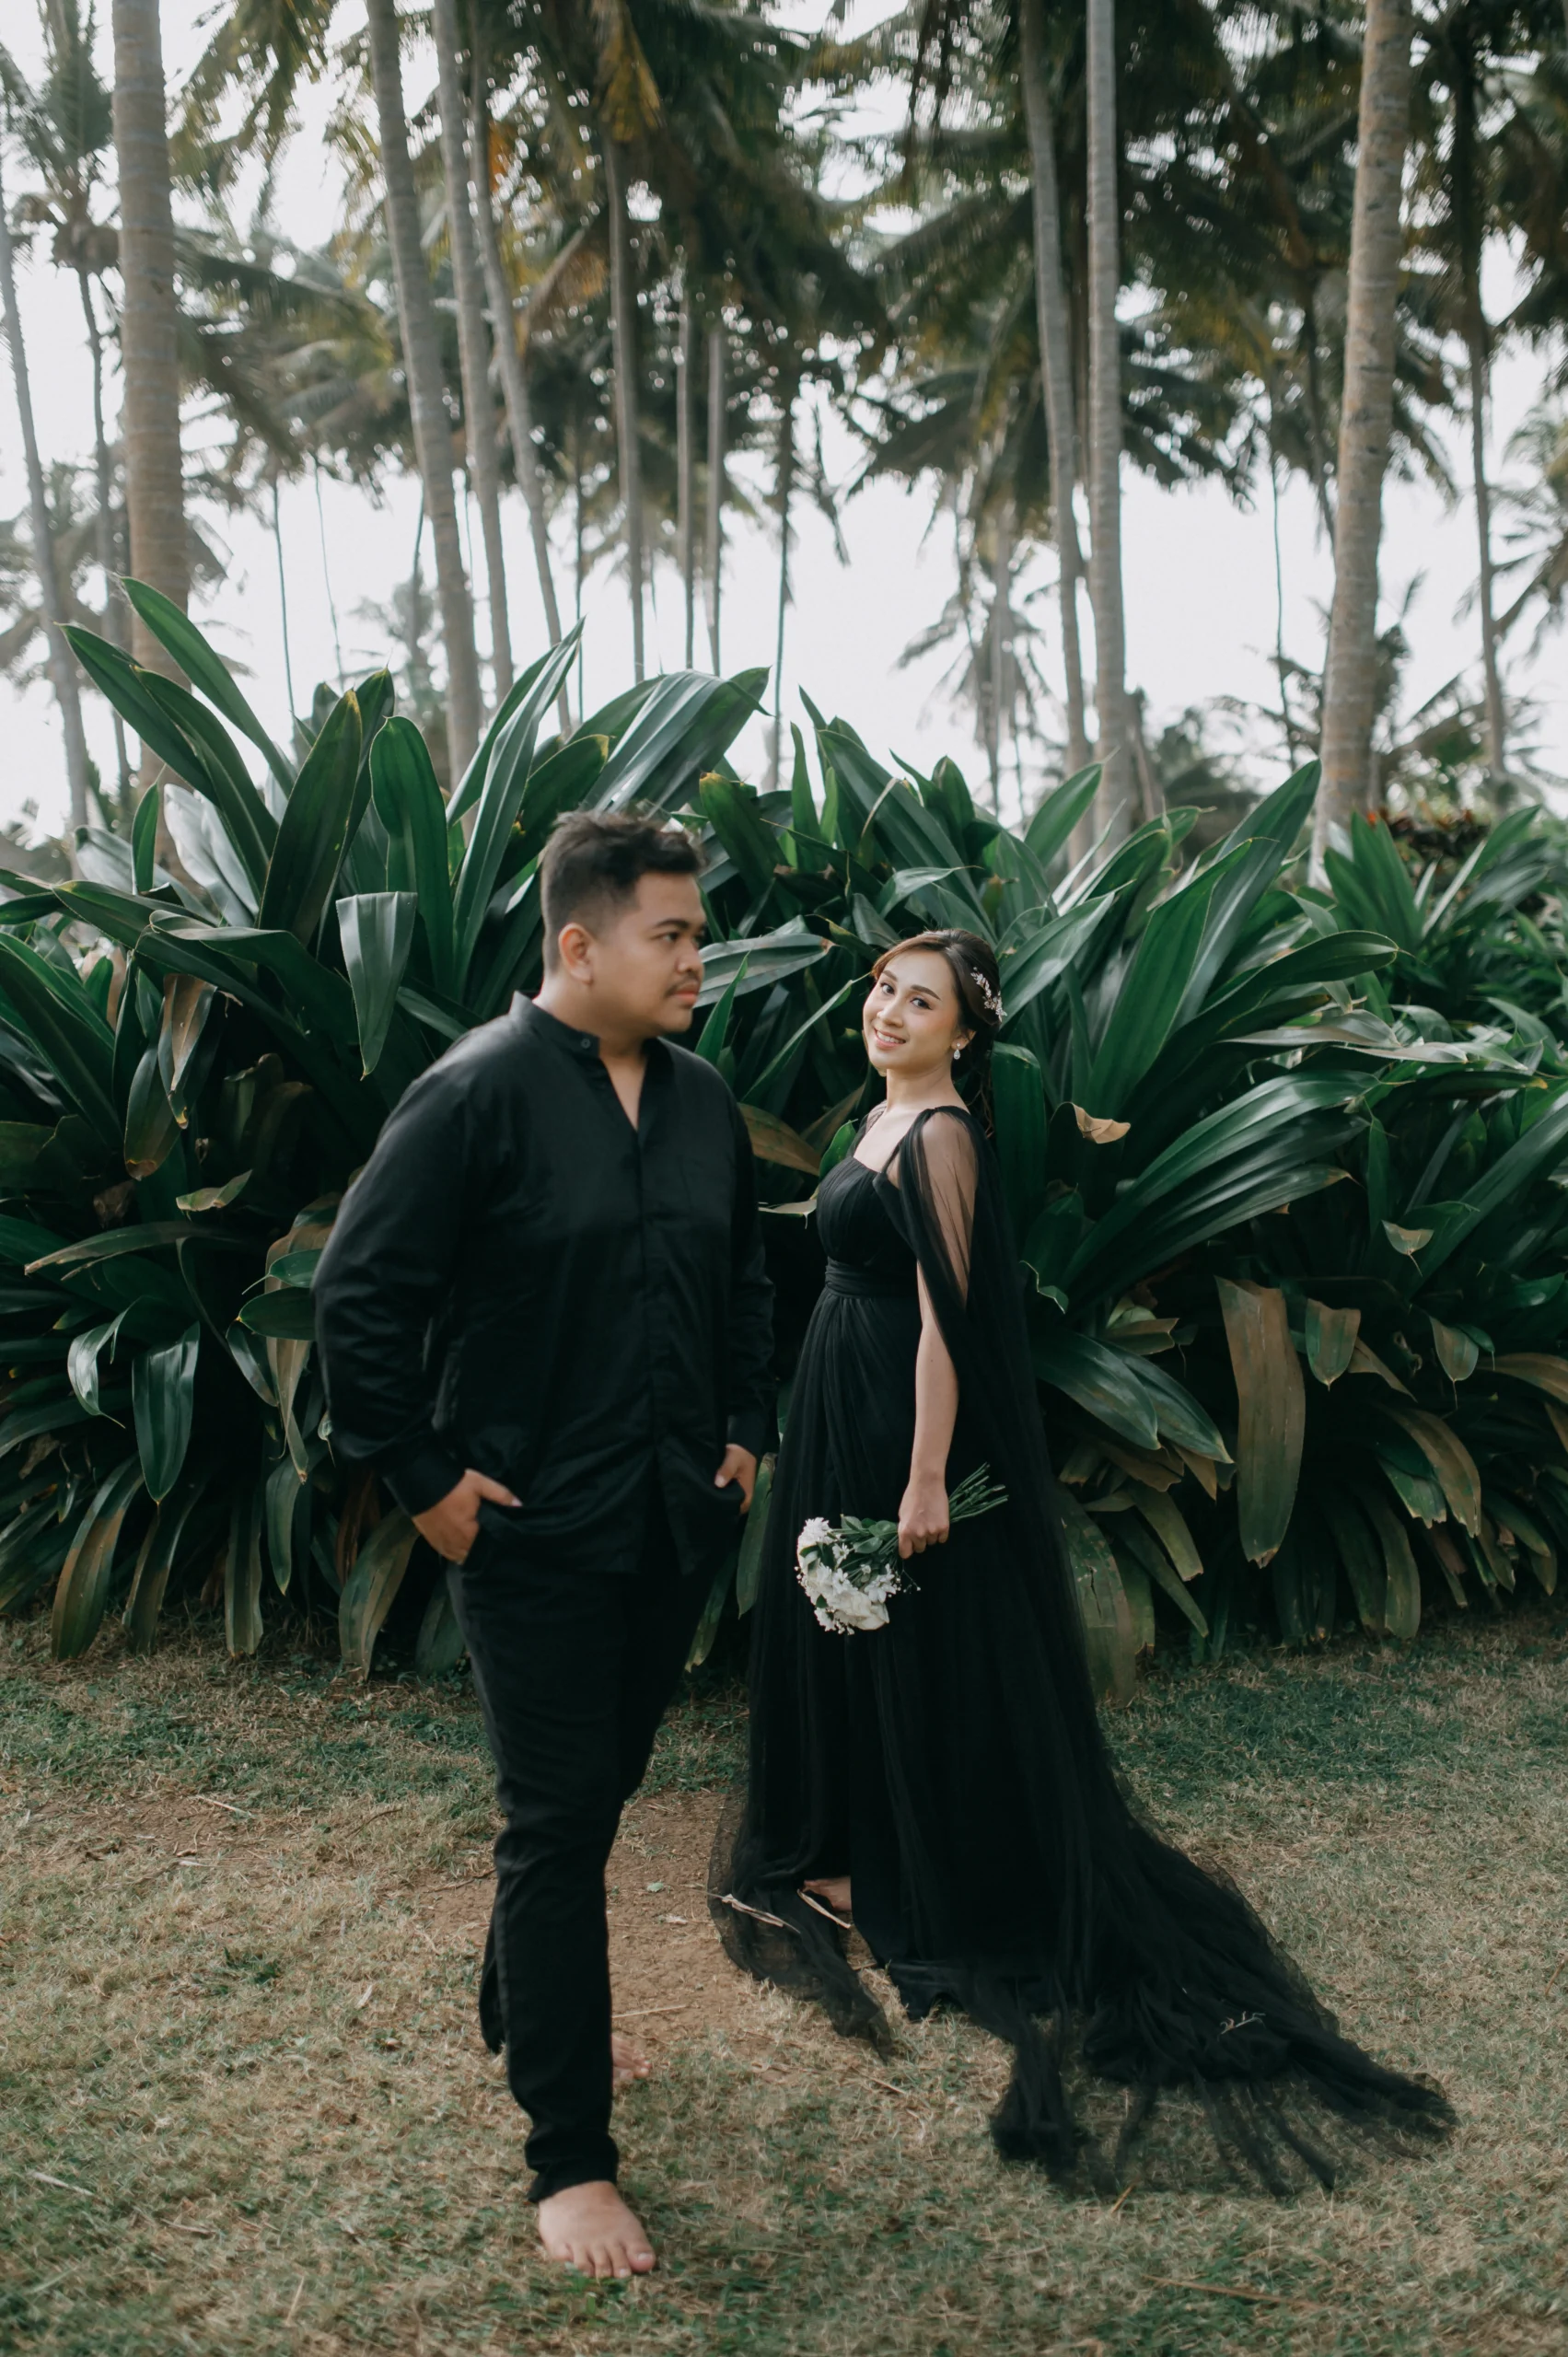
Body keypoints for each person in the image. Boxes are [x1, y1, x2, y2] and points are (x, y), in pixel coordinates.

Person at [713, 927, 1452, 2193]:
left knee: (906, 1629)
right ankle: (843, 1847)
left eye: (920, 1002)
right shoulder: (880, 1117)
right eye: (883, 989)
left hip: (897, 1410)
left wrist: (925, 1473)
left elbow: (947, 1319)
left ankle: (916, 1875)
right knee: (845, 1623)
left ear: (964, 1034)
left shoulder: (943, 1137)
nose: (888, 1011)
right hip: (837, 1391)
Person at [316, 809, 772, 2280]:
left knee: (592, 1792)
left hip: (671, 1519)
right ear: (579, 945)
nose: (698, 960)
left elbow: (744, 1275)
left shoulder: (701, 1099)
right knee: (560, 1819)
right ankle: (568, 2157)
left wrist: (743, 1428)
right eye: (672, 935)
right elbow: (358, 1295)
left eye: (698, 934)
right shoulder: (474, 1094)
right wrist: (422, 1476)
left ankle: (527, 2008)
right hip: (529, 1530)